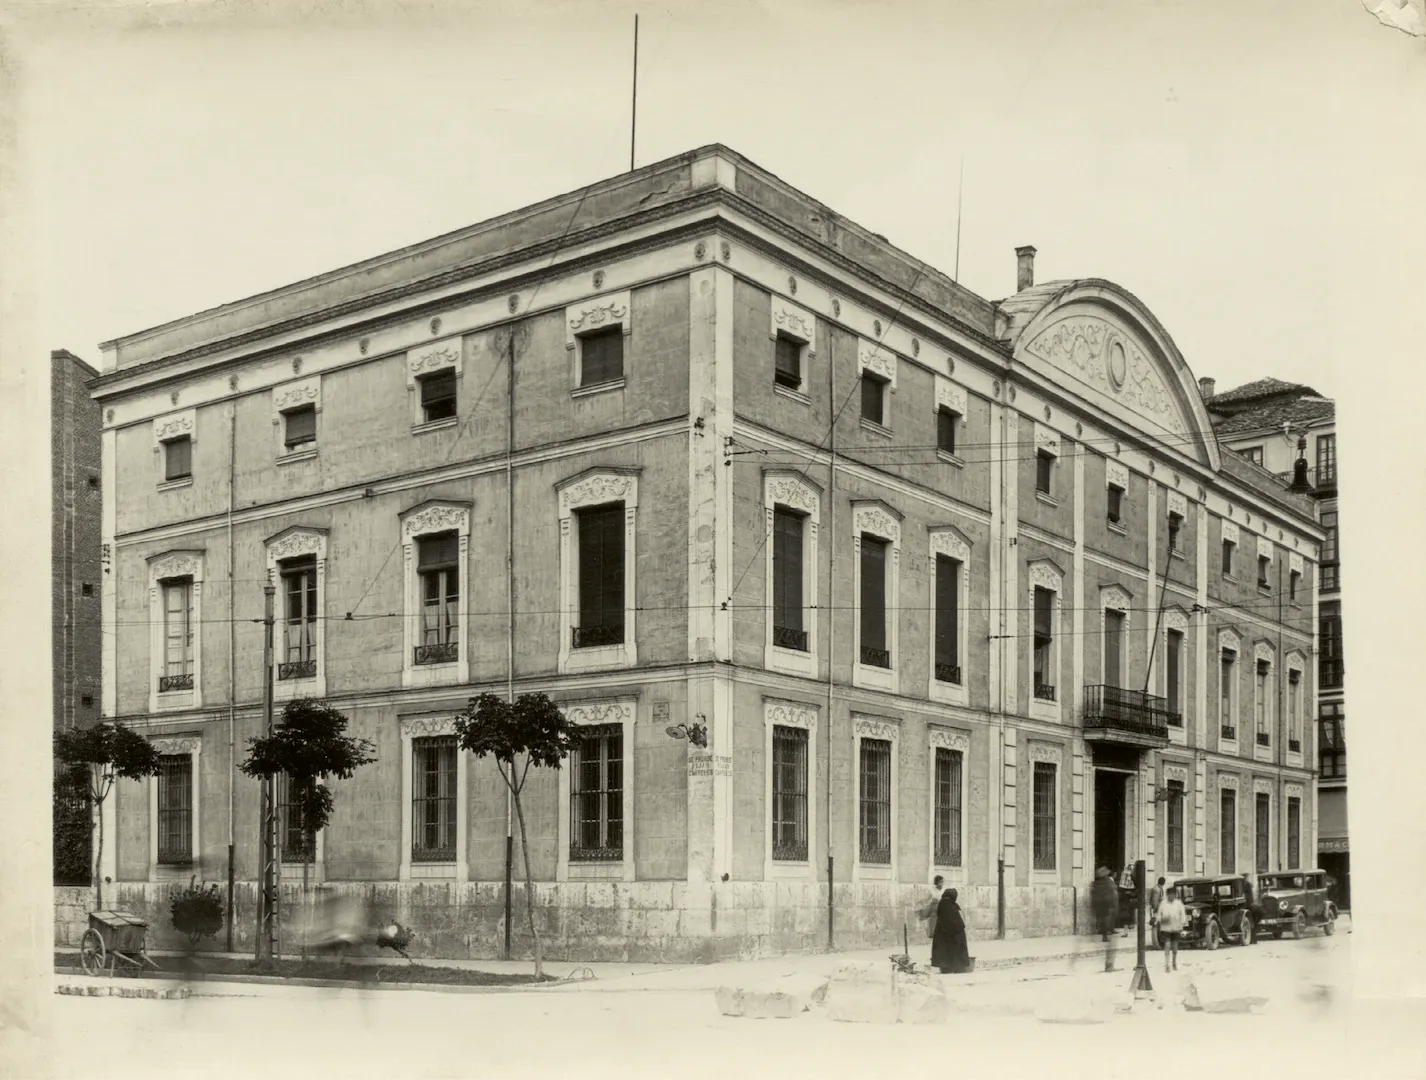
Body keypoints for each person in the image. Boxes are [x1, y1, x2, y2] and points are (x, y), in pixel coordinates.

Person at [931, 887, 971, 974]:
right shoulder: (946, 904)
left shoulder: (947, 903)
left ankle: (950, 967)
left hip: (946, 932)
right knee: (952, 950)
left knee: (948, 951)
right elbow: (952, 921)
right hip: (949, 933)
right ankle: (955, 967)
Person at [1091, 866, 1120, 972]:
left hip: (1102, 915)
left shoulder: (1096, 885)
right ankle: (1109, 965)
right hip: (1108, 915)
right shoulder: (1107, 885)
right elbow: (1111, 899)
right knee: (1112, 942)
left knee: (1109, 940)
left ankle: (1108, 965)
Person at [1157, 885, 1188, 973]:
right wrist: (1162, 919)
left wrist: (1182, 923)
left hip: (1176, 928)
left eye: (1173, 894)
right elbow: (1158, 915)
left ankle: (1174, 962)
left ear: (1175, 895)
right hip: (1166, 928)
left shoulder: (1179, 903)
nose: (1171, 896)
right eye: (1170, 894)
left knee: (1174, 947)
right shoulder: (1163, 904)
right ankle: (1167, 965)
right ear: (1167, 895)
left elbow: (1183, 915)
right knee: (1167, 945)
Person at [917, 875, 946, 954]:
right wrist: (932, 902)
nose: (941, 883)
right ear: (936, 882)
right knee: (934, 932)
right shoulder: (932, 891)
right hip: (934, 914)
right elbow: (928, 902)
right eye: (940, 882)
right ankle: (935, 952)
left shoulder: (944, 890)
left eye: (942, 882)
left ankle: (942, 951)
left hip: (943, 913)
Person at [1148, 876, 1167, 949]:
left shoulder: (1157, 888)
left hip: (1157, 909)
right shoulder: (1157, 889)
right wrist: (1155, 909)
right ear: (1163, 882)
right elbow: (1155, 900)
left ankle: (1159, 943)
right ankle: (1157, 944)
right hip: (1157, 910)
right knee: (1157, 927)